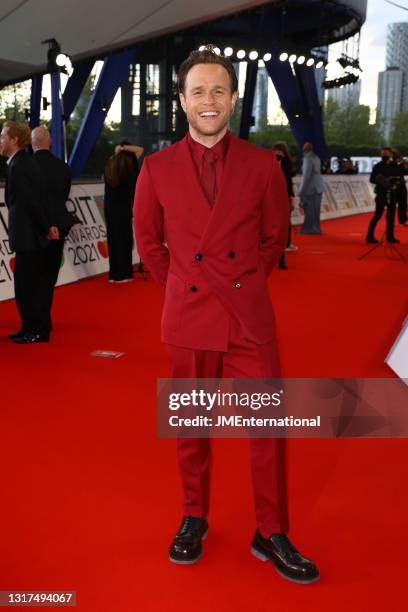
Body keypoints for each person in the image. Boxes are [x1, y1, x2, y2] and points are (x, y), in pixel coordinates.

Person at [134, 47, 319, 584]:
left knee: (267, 426)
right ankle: (194, 516)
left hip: (247, 313)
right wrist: (186, 291)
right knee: (192, 425)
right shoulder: (156, 168)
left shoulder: (264, 165)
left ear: (233, 98)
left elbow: (272, 238)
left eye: (218, 91)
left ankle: (272, 529)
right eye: (198, 92)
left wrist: (237, 288)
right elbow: (149, 244)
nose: (208, 101)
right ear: (182, 100)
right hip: (188, 314)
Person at [0, 121, 57, 343]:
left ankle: (37, 330)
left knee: (28, 286)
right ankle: (30, 328)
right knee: (26, 285)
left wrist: (45, 228)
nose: (1, 140)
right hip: (28, 235)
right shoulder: (20, 163)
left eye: (4, 136)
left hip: (29, 236)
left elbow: (33, 202)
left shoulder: (21, 165)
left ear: (15, 140)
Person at [31, 126, 73, 335]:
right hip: (59, 226)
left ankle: (36, 321)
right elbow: (62, 197)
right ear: (50, 143)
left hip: (35, 229)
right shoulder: (63, 167)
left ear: (32, 143)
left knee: (33, 276)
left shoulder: (27, 166)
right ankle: (44, 317)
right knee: (49, 276)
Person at [104, 142, 143, 282]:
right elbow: (140, 149)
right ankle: (125, 273)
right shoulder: (128, 163)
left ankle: (114, 274)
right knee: (124, 239)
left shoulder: (111, 162)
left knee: (113, 239)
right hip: (123, 206)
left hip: (109, 207)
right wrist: (124, 148)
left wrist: (118, 150)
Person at [366, 147, 402, 244]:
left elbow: (400, 177)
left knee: (391, 216)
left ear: (390, 155)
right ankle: (369, 236)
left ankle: (390, 236)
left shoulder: (395, 166)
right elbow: (371, 179)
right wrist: (382, 180)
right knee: (378, 215)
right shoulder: (377, 166)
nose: (384, 155)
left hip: (392, 193)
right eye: (383, 154)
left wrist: (395, 181)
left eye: (386, 154)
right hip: (381, 193)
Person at [274, 142, 297, 270]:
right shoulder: (267, 163)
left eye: (279, 152)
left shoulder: (287, 166)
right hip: (269, 198)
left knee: (282, 228)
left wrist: (291, 200)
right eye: (276, 152)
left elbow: (289, 184)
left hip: (282, 199)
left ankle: (281, 259)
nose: (277, 154)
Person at [298, 142, 324, 234]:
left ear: (304, 149)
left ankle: (309, 229)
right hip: (319, 186)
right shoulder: (316, 157)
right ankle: (316, 228)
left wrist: (301, 191)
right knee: (316, 209)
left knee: (309, 209)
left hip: (311, 187)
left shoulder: (307, 159)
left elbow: (306, 176)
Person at [392, 150, 408, 227]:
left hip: (401, 186)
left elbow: (405, 172)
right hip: (393, 186)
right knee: (392, 205)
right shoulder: (391, 165)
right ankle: (390, 222)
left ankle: (403, 220)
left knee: (403, 203)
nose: (401, 157)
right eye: (399, 156)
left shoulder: (401, 164)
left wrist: (405, 166)